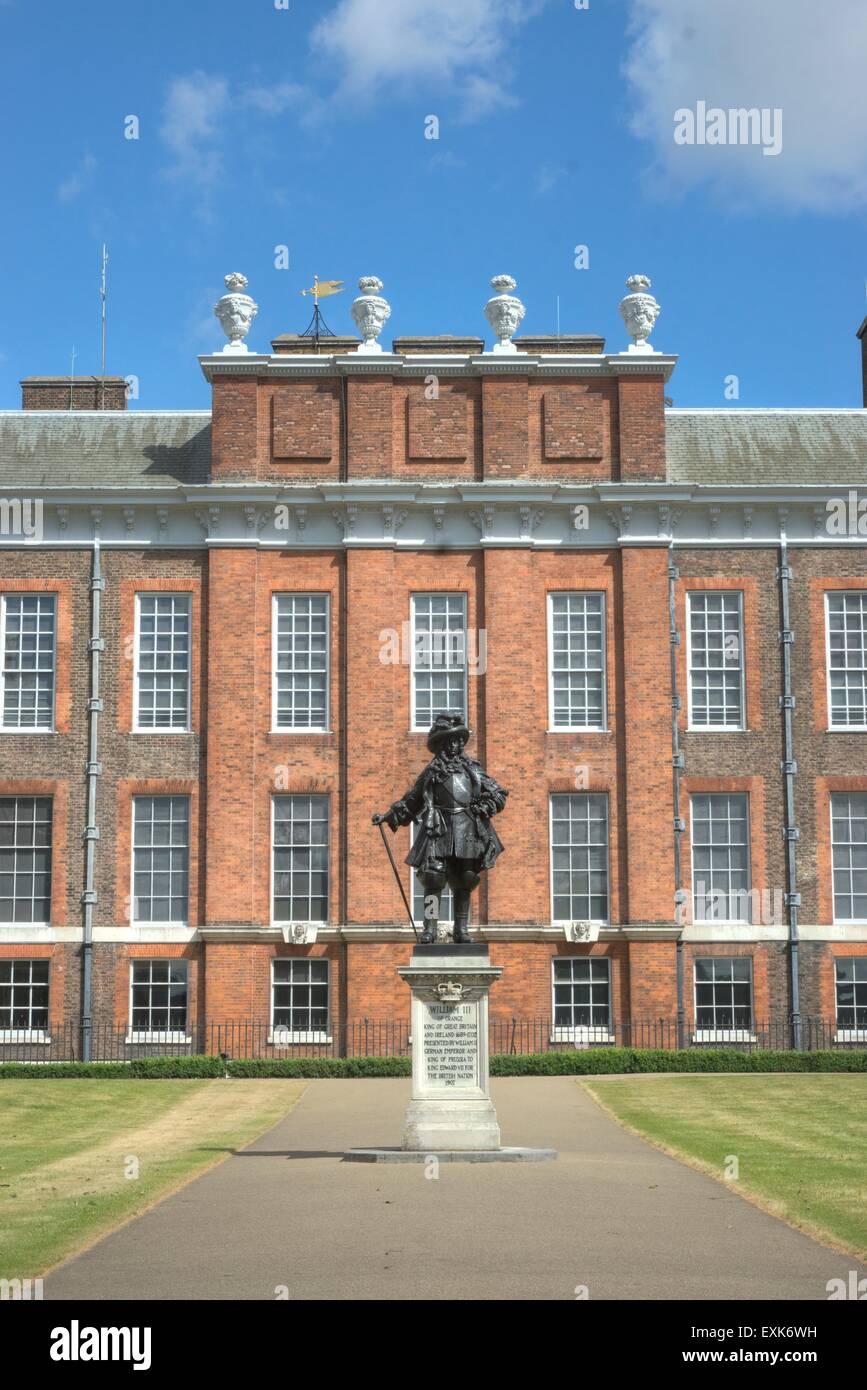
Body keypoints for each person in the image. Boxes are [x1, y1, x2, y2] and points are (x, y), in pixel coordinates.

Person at [372, 712, 508, 943]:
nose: (456, 745)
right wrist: (389, 816)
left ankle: (461, 929)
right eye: (450, 741)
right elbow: (412, 800)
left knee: (465, 879)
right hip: (439, 829)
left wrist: (485, 805)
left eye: (458, 741)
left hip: (467, 829)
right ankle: (430, 929)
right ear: (442, 745)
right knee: (433, 879)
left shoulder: (472, 770)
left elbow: (497, 793)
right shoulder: (432, 773)